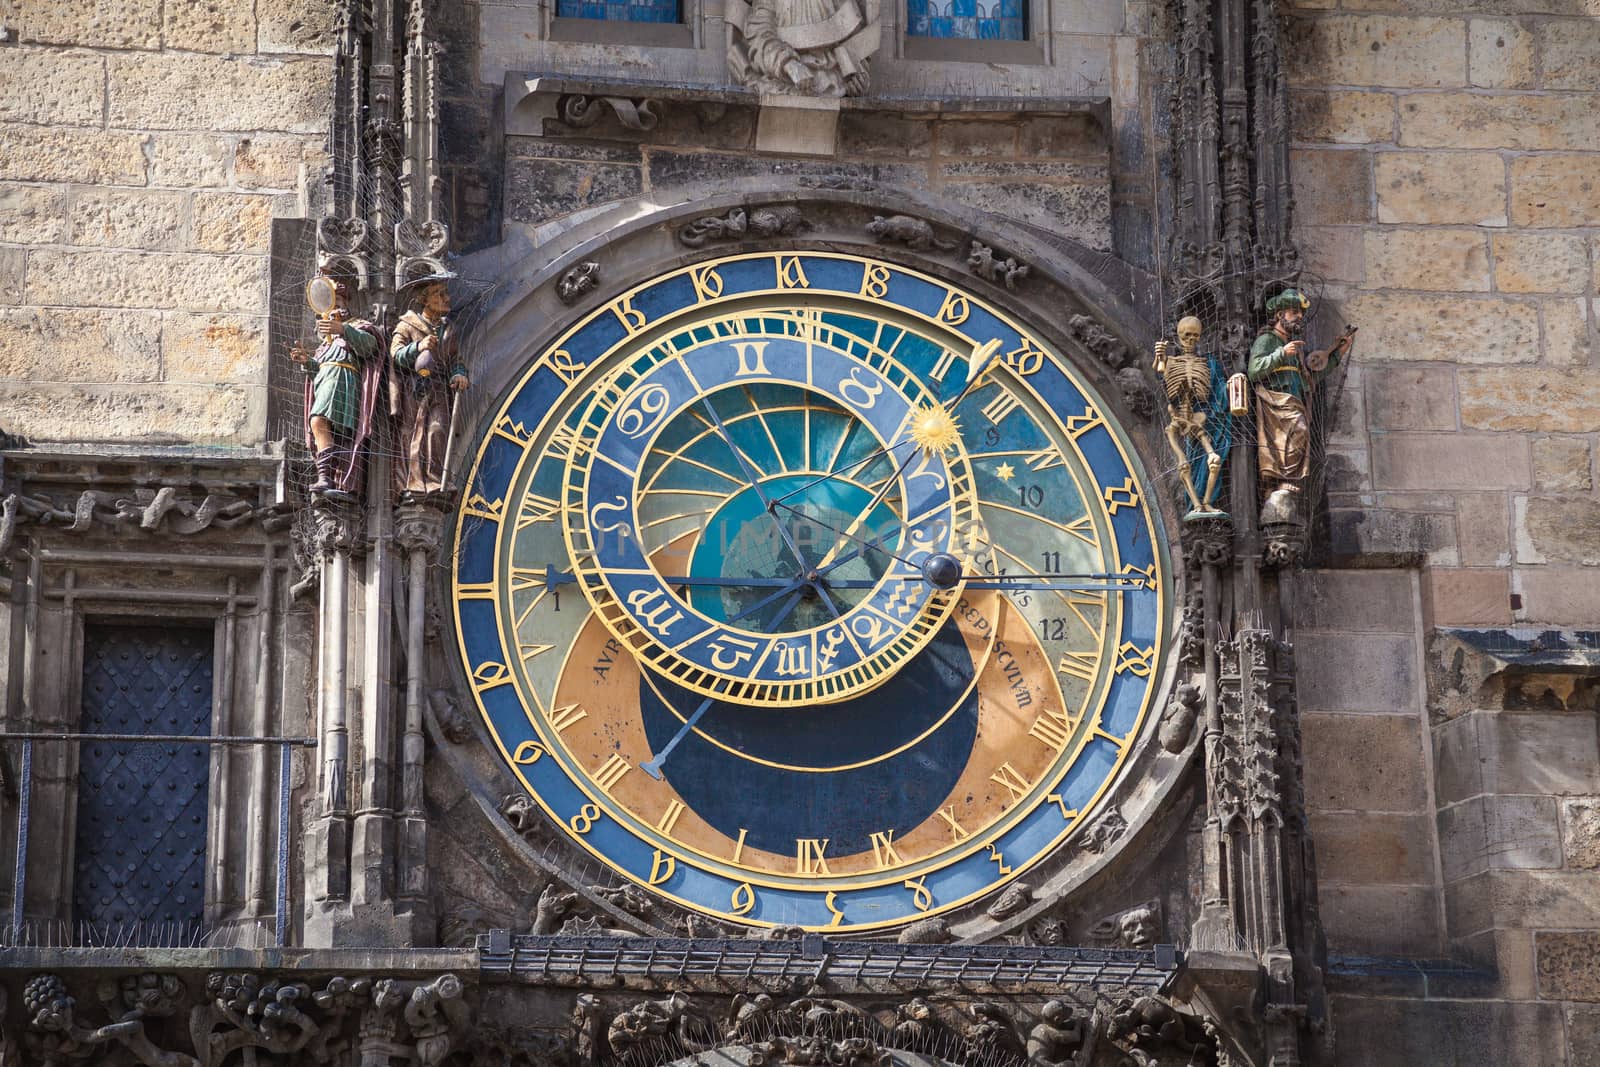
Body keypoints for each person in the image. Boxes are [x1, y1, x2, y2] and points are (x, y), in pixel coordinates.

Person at [1247, 288, 1353, 516]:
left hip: (1294, 400)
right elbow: (1254, 371)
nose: (1298, 318)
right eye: (1294, 312)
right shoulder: (1267, 340)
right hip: (1275, 403)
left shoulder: (1295, 346)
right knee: (1294, 432)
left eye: (1300, 314)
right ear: (1279, 315)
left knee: (1298, 433)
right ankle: (1277, 482)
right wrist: (1281, 354)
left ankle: (1286, 480)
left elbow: (1309, 377)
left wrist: (1337, 354)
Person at [290, 277, 384, 504]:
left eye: (339, 300)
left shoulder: (358, 326)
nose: (335, 306)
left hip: (343, 382)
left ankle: (327, 477)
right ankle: (331, 478)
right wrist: (307, 362)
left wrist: (343, 329)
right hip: (327, 381)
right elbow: (319, 372)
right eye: (332, 302)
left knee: (319, 422)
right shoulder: (326, 343)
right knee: (327, 431)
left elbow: (370, 347)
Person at [390, 275, 469, 502]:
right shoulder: (407, 324)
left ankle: (434, 479)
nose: (447, 298)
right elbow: (395, 356)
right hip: (415, 390)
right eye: (439, 294)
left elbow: (456, 360)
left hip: (440, 389)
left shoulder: (448, 330)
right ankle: (414, 483)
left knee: (437, 430)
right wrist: (418, 346)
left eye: (446, 293)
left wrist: (459, 374)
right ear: (424, 300)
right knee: (416, 434)